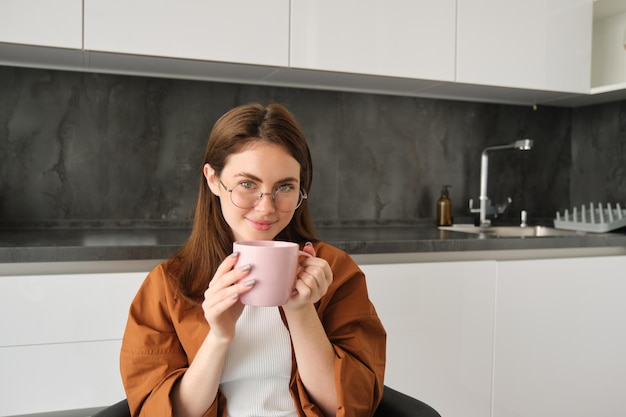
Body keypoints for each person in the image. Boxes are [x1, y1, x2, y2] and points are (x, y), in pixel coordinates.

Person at [120, 102, 386, 417]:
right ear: (213, 180)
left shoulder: (336, 273)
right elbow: (159, 411)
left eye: (285, 187)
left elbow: (353, 407)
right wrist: (219, 336)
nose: (266, 208)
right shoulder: (168, 285)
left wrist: (301, 311)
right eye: (248, 184)